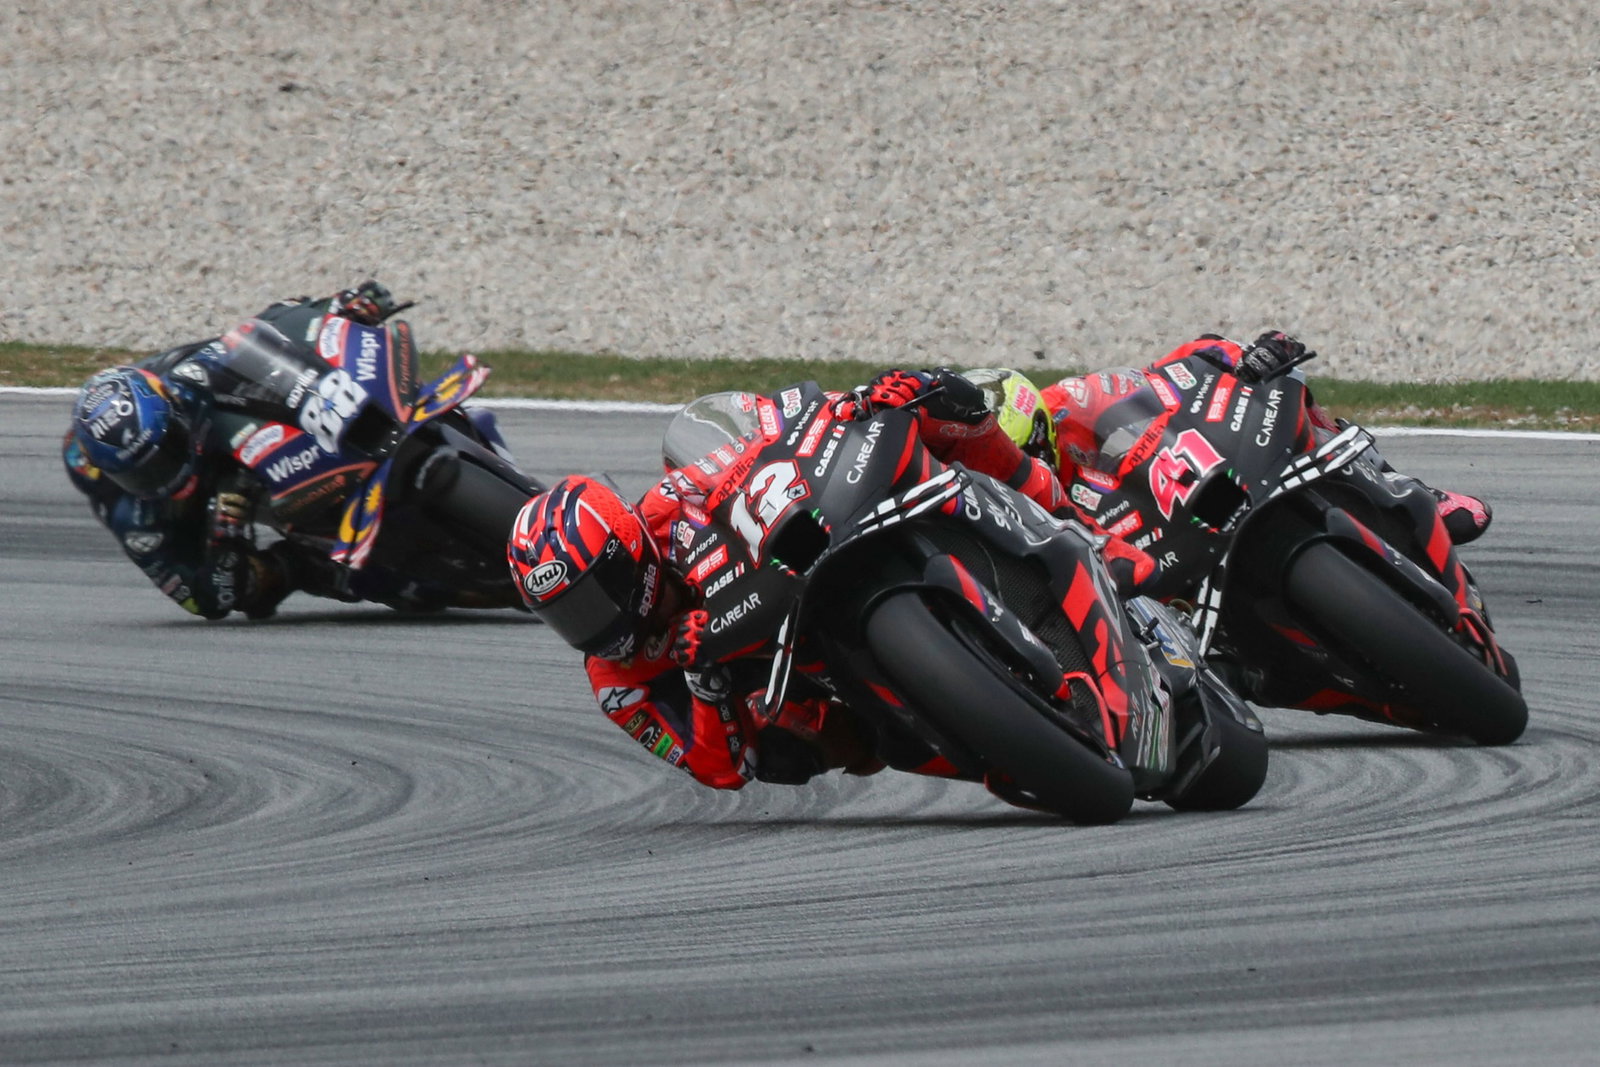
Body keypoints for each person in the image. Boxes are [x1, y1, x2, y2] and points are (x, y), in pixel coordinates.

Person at [506, 373, 1152, 800]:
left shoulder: (668, 508)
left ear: (627, 555)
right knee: (785, 744)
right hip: (794, 679)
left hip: (806, 561)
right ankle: (974, 729)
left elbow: (748, 449)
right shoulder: (616, 681)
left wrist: (841, 409)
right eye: (567, 615)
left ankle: (1082, 527)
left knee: (948, 409)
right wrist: (703, 678)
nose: (592, 624)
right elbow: (716, 768)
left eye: (593, 596)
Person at [62, 280, 449, 620]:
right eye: (141, 472)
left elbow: (267, 330)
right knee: (278, 581)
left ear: (173, 414)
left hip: (244, 438)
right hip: (221, 502)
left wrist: (341, 309)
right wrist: (224, 540)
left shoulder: (178, 381)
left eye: (166, 451)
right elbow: (203, 601)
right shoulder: (133, 516)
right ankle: (354, 567)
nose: (163, 471)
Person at [971, 331, 1492, 545]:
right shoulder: (1017, 497)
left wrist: (1241, 362)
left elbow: (1166, 377)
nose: (1032, 463)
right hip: (1143, 555)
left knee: (1279, 390)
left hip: (1188, 478)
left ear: (1038, 417)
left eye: (1034, 446)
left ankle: (1400, 485)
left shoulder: (1072, 398)